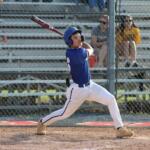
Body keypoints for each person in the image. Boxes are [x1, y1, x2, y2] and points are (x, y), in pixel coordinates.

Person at [37, 26, 134, 138]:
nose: (79, 38)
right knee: (64, 113)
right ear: (69, 41)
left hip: (90, 86)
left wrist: (80, 42)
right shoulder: (74, 54)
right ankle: (42, 122)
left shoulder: (78, 50)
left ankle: (119, 128)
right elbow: (91, 50)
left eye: (79, 36)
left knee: (111, 99)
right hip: (78, 90)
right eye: (75, 37)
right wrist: (84, 43)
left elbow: (86, 48)